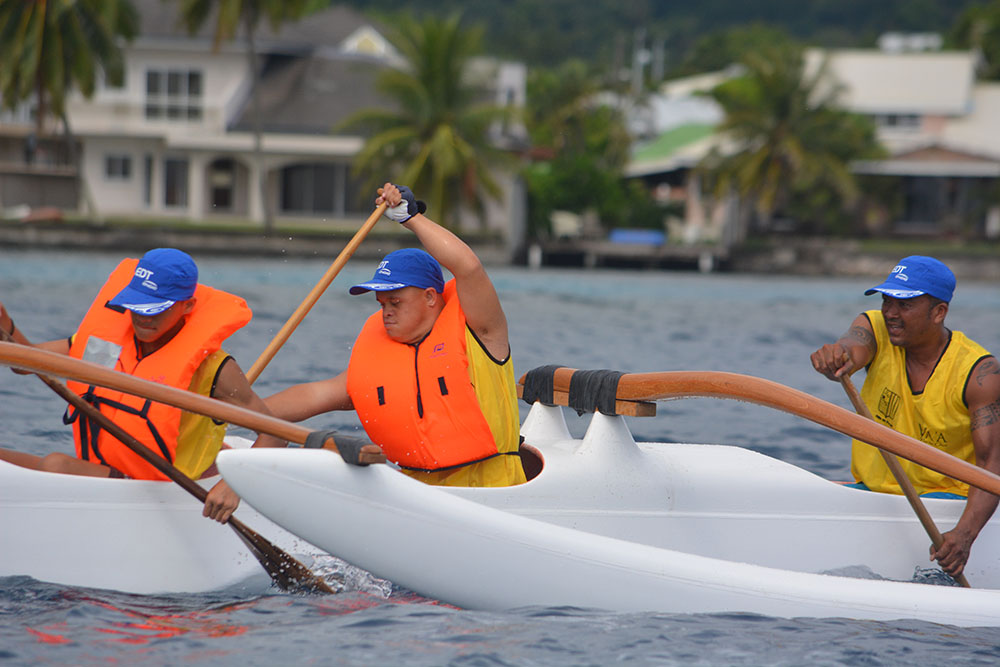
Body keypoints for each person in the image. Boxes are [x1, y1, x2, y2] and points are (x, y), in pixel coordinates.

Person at [267, 182, 527, 487]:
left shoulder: (482, 333)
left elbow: (469, 268)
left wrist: (409, 217)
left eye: (395, 302)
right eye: (381, 304)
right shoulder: (381, 358)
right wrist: (238, 412)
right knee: (269, 426)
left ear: (431, 298)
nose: (385, 312)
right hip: (417, 492)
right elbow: (315, 394)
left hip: (493, 491)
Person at [0, 248, 285, 523]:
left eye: (155, 309)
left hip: (172, 488)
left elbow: (275, 433)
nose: (142, 317)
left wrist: (233, 485)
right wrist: (6, 326)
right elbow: (25, 363)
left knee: (55, 466)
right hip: (113, 473)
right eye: (136, 305)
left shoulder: (216, 369)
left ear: (187, 306)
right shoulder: (106, 340)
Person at [810, 255, 1000, 578]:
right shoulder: (875, 328)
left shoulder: (980, 373)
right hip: (872, 497)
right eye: (887, 300)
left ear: (939, 312)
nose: (891, 313)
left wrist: (965, 536)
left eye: (905, 304)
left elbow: (992, 464)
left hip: (942, 509)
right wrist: (836, 357)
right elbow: (852, 348)